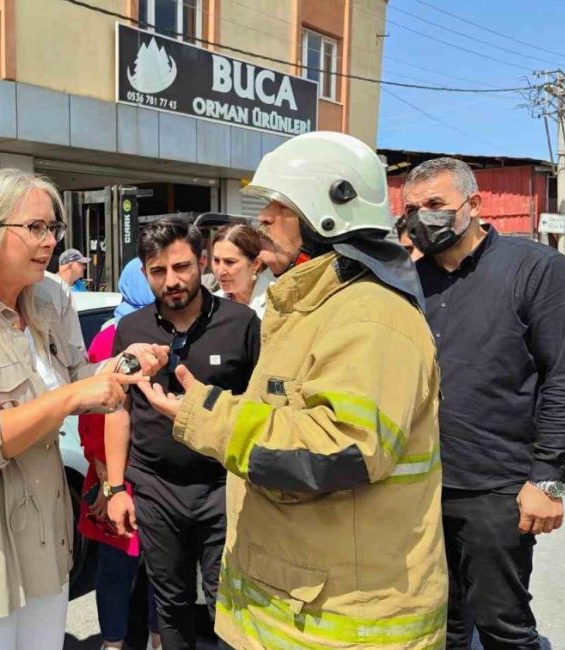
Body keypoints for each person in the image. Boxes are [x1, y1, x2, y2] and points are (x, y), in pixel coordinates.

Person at [137, 132, 448, 649]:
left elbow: (339, 448)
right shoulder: (312, 308)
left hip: (344, 626)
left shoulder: (371, 316)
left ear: (327, 213)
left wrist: (205, 414)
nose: (263, 219)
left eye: (278, 205)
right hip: (292, 610)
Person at [0, 169, 167, 650]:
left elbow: (75, 374)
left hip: (44, 528)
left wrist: (123, 366)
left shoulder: (49, 296)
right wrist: (71, 398)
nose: (50, 242)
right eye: (36, 228)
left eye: (54, 228)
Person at [404, 157, 565, 649]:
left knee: (502, 623)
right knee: (437, 621)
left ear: (474, 204)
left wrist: (549, 478)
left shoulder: (535, 269)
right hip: (419, 485)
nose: (423, 217)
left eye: (436, 205)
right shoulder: (408, 284)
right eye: (413, 209)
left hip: (497, 488)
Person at [105, 219, 261, 650]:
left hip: (222, 486)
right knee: (170, 604)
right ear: (144, 272)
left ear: (202, 263)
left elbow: (261, 410)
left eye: (182, 267)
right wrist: (116, 487)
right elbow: (119, 409)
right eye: (158, 271)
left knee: (226, 603)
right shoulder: (131, 330)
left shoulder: (242, 323)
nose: (172, 281)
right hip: (156, 489)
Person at [77, 257, 161, 650]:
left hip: (151, 476)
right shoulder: (111, 335)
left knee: (159, 569)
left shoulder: (167, 328)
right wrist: (109, 484)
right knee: (117, 568)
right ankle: (113, 642)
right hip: (117, 476)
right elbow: (93, 417)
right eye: (154, 274)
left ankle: (155, 638)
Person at [209, 224, 274, 318]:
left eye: (229, 262)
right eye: (216, 260)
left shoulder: (278, 299)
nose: (220, 271)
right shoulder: (211, 304)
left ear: (255, 264)